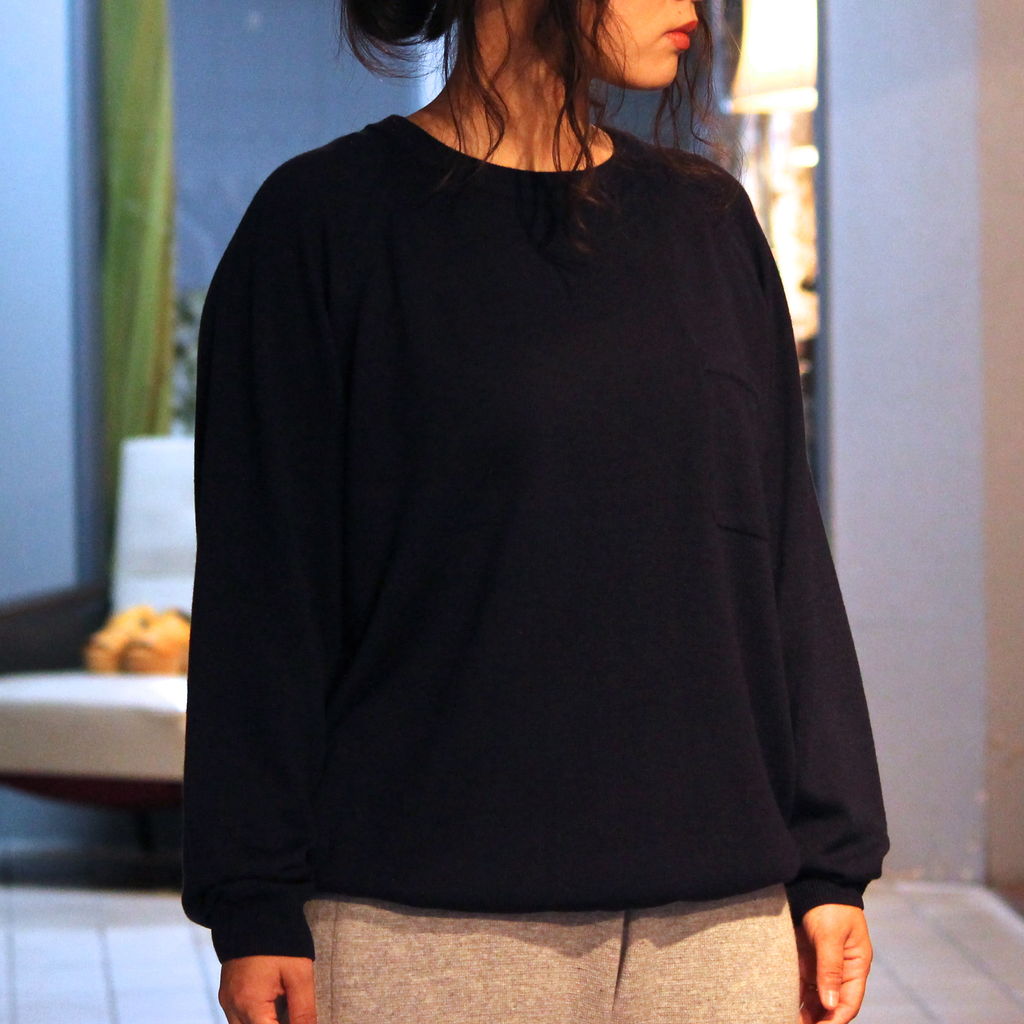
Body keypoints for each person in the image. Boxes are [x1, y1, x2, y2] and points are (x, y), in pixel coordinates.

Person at [180, 0, 891, 1021]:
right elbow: (264, 594)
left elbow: (782, 557)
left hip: (723, 925)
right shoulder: (324, 225)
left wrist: (831, 863)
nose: (693, 11)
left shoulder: (708, 222)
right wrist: (253, 899)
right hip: (423, 926)